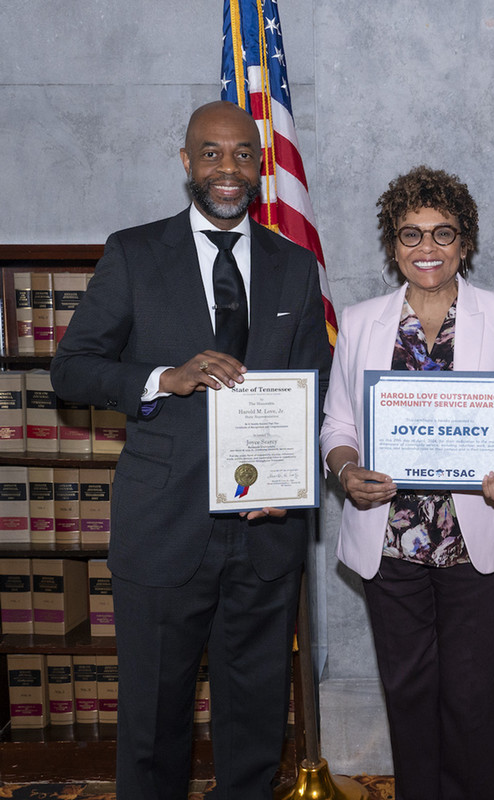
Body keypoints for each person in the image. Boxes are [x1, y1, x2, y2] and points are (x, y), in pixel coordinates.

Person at [50, 101, 331, 800]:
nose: (227, 169)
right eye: (211, 153)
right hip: (163, 526)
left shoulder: (294, 266)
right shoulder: (135, 253)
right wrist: (161, 379)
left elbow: (312, 391)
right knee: (152, 722)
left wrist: (289, 488)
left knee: (257, 719)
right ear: (186, 163)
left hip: (264, 532)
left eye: (241, 154)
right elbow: (72, 369)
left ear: (259, 167)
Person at [319, 165, 494, 800]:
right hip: (389, 539)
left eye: (443, 233)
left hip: (476, 538)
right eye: (411, 234)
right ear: (393, 245)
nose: (427, 248)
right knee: (409, 693)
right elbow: (337, 421)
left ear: (465, 242)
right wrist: (345, 469)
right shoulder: (361, 320)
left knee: (471, 700)